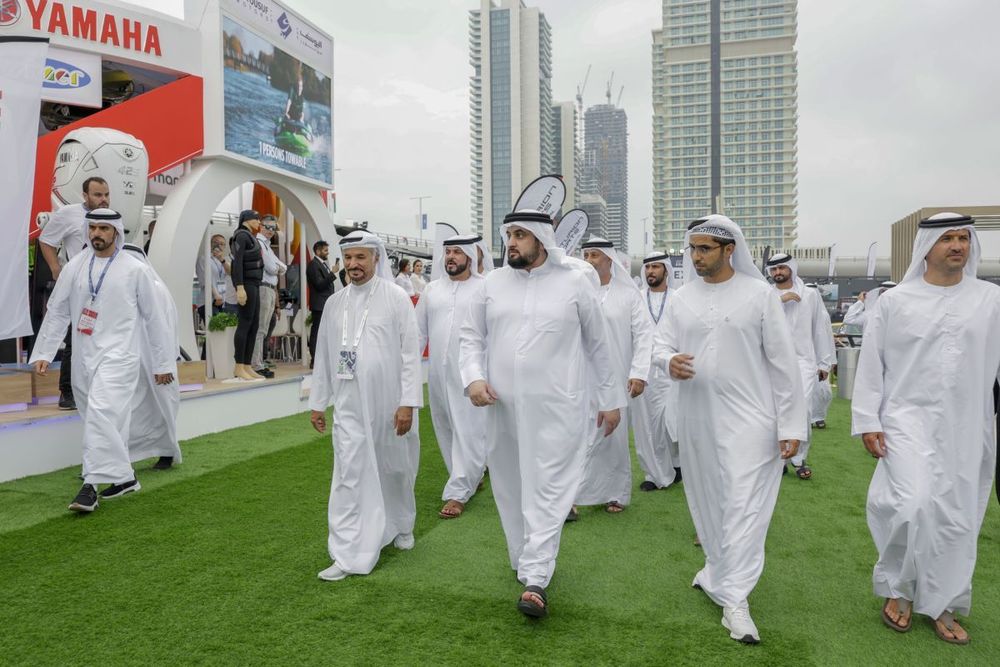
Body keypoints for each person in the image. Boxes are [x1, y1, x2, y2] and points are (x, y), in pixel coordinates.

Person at [460, 210, 625, 619]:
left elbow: (599, 346)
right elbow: (470, 338)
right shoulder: (492, 284)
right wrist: (473, 379)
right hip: (501, 407)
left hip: (559, 406)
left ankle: (536, 577)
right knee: (511, 485)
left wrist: (610, 399)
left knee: (549, 486)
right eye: (509, 234)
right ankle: (525, 558)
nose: (512, 242)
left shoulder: (575, 281)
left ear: (541, 239)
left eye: (520, 235)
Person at [655, 215, 806, 644]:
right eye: (693, 249)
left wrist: (791, 424)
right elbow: (658, 343)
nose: (697, 256)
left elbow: (783, 363)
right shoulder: (681, 298)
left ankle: (735, 601)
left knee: (744, 506)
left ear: (728, 250)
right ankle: (716, 572)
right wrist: (667, 361)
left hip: (752, 419)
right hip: (697, 417)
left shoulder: (760, 295)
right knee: (710, 504)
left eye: (705, 249)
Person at [852, 212, 1000, 645]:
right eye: (948, 238)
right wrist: (867, 419)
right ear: (927, 247)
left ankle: (945, 601)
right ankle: (899, 587)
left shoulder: (990, 300)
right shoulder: (895, 301)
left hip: (968, 426)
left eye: (963, 238)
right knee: (910, 505)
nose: (957, 246)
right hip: (905, 421)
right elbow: (872, 365)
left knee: (957, 517)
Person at [29, 209, 175, 512]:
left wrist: (163, 364)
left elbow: (155, 319)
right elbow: (57, 310)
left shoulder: (135, 270)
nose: (97, 233)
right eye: (92, 227)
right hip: (84, 356)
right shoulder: (75, 268)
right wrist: (44, 351)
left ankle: (90, 486)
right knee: (103, 417)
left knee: (102, 412)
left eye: (103, 229)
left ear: (116, 232)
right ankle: (124, 478)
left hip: (120, 356)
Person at [309, 230, 423, 582]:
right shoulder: (334, 303)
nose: (354, 265)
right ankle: (348, 552)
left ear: (376, 258)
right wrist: (318, 401)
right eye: (349, 258)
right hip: (348, 406)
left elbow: (410, 355)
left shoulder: (396, 298)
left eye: (361, 257)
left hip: (390, 405)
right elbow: (324, 356)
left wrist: (408, 403)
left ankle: (402, 524)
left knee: (395, 468)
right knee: (348, 473)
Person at [574, 237, 652, 515]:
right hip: (578, 375)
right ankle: (571, 496)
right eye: (586, 255)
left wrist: (639, 373)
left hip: (617, 375)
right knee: (577, 434)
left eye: (595, 255)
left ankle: (615, 492)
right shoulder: (578, 291)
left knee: (612, 436)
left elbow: (644, 335)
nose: (589, 260)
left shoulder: (629, 294)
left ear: (610, 260)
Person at [416, 235, 490, 519]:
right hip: (437, 374)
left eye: (458, 252)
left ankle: (458, 492)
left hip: (472, 375)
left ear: (470, 255)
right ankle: (470, 475)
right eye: (448, 252)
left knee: (469, 430)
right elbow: (417, 332)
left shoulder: (485, 288)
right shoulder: (432, 290)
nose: (451, 257)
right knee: (445, 428)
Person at [37, 176, 111, 410]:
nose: (103, 199)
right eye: (98, 195)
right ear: (85, 195)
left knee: (100, 338)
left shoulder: (111, 217)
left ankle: (95, 388)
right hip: (77, 286)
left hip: (104, 288)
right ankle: (66, 391)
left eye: (106, 194)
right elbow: (46, 239)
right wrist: (56, 269)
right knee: (73, 339)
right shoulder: (69, 213)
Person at [765, 253, 835, 480]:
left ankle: (798, 458)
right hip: (773, 362)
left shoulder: (811, 295)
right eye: (774, 270)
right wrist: (779, 301)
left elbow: (820, 329)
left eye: (782, 268)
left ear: (791, 269)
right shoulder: (766, 295)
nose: (778, 273)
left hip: (804, 362)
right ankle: (780, 458)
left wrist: (824, 362)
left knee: (802, 410)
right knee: (776, 412)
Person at [122, 244, 181, 470]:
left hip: (156, 360)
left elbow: (165, 327)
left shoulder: (155, 288)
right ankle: (115, 459)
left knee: (161, 407)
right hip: (129, 358)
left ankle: (166, 453)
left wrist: (163, 363)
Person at [633, 251, 681, 491]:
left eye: (656, 267)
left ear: (666, 270)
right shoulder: (637, 298)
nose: (651, 271)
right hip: (644, 370)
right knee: (649, 425)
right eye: (648, 268)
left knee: (672, 420)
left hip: (672, 369)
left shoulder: (678, 298)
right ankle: (654, 473)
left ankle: (677, 463)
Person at [230, 210, 264, 381]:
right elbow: (237, 263)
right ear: (247, 220)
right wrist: (240, 287)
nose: (259, 222)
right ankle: (238, 366)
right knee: (245, 324)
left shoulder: (251, 237)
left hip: (255, 284)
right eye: (256, 219)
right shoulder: (241, 236)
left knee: (254, 325)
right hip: (247, 285)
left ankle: (247, 365)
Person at [252, 216, 287, 379]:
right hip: (264, 287)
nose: (271, 231)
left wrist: (278, 268)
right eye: (268, 227)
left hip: (271, 289)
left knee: (264, 329)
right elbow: (273, 268)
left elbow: (283, 267)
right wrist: (278, 268)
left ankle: (259, 362)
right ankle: (256, 364)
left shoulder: (267, 246)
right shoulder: (259, 243)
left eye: (274, 228)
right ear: (260, 226)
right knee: (260, 328)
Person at [306, 239, 341, 368]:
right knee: (317, 332)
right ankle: (315, 359)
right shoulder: (313, 265)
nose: (327, 253)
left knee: (325, 332)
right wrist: (332, 273)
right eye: (325, 250)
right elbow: (320, 285)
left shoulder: (322, 264)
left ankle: (322, 358)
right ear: (318, 251)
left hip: (326, 304)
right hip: (319, 304)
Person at [804, 283, 835, 429]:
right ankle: (807, 418)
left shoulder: (823, 315)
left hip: (820, 358)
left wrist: (830, 361)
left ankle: (819, 416)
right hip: (803, 357)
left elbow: (827, 338)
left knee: (823, 391)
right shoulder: (800, 310)